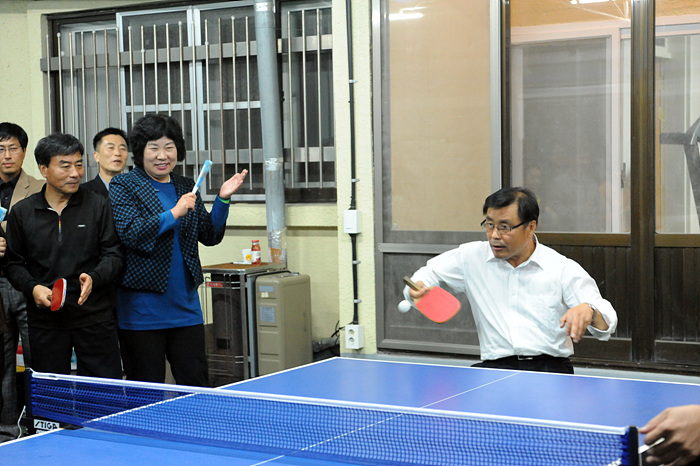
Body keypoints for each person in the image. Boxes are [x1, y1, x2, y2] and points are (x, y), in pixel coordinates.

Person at [404, 187, 618, 374]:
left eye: (504, 227)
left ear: (530, 227)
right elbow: (428, 273)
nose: (494, 235)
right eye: (489, 225)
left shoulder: (562, 268)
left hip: (550, 370)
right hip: (494, 368)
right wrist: (418, 287)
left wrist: (589, 310)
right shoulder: (470, 257)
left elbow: (607, 322)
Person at [109, 114, 247, 387]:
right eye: (154, 147)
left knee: (195, 383)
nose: (162, 155)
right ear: (140, 151)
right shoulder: (124, 185)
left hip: (185, 308)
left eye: (169, 147)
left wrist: (223, 198)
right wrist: (174, 213)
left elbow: (210, 235)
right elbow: (130, 232)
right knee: (146, 390)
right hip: (142, 312)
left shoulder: (185, 185)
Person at [4, 133, 123, 378]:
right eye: (65, 165)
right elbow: (14, 264)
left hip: (95, 317)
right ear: (43, 168)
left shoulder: (98, 205)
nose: (75, 173)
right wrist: (33, 287)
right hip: (45, 320)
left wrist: (95, 277)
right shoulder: (23, 212)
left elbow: (114, 254)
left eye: (79, 164)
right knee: (51, 396)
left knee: (101, 394)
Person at [0, 122, 44, 443]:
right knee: (1, 365)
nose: (6, 155)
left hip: (28, 283)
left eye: (13, 148)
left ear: (24, 151)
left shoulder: (41, 188)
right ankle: (6, 432)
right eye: (0, 149)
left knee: (36, 360)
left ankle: (38, 425)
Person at [82, 127, 129, 196]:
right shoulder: (83, 192)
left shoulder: (138, 191)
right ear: (96, 156)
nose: (118, 153)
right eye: (111, 148)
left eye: (122, 148)